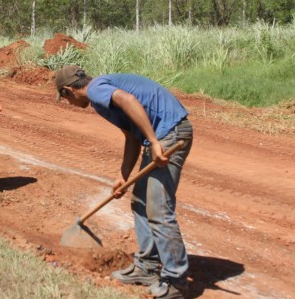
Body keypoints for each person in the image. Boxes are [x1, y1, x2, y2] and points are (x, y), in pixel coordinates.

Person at [55, 65, 193, 299]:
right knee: (140, 201)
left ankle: (176, 280)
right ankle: (148, 267)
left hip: (169, 134)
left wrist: (154, 140)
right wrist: (123, 176)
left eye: (65, 99)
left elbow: (128, 100)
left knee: (159, 209)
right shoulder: (101, 94)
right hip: (161, 135)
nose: (69, 104)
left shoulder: (97, 89)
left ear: (68, 90)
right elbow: (131, 136)